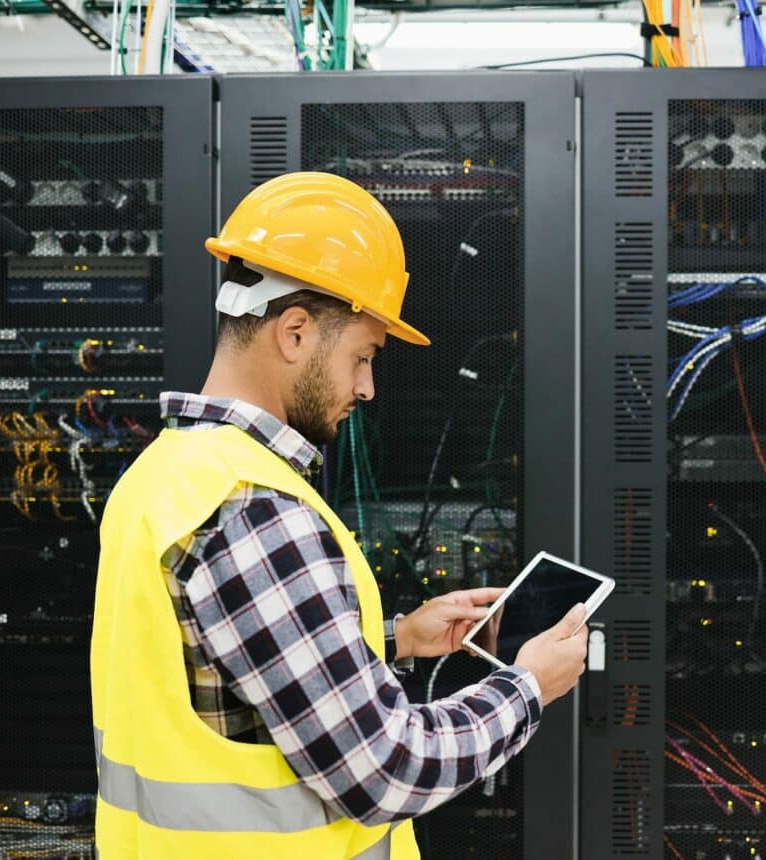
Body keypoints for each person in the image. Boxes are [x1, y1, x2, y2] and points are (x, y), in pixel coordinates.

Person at [90, 171, 588, 859]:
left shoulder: (164, 474)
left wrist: (393, 639)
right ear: (294, 333)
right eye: (363, 355)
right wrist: (527, 686)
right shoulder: (254, 507)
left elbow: (213, 676)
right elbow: (387, 771)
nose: (366, 386)